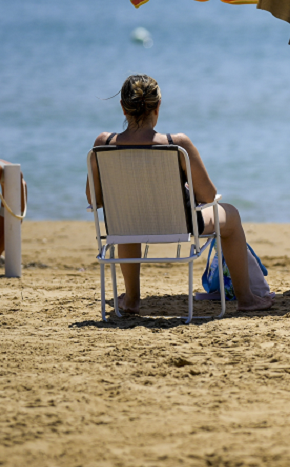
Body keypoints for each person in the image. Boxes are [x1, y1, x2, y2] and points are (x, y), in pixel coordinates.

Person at [87, 74, 273, 314]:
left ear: (123, 107)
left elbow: (94, 199)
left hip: (127, 225)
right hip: (179, 225)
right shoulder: (178, 144)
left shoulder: (103, 143)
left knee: (127, 218)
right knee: (231, 215)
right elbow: (208, 196)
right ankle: (246, 299)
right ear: (158, 106)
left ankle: (132, 299)